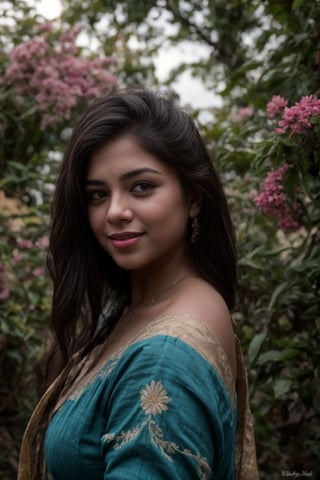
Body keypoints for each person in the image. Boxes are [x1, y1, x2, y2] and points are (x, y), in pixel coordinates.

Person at [18, 88, 259, 479]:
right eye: (98, 194)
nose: (115, 212)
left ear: (193, 197)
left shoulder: (166, 357)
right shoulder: (131, 309)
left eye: (141, 186)